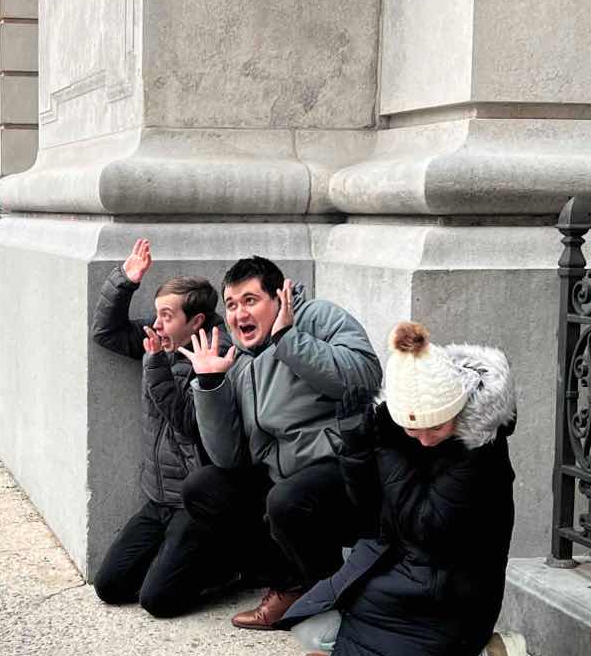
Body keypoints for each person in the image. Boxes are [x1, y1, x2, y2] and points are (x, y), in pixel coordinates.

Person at [279, 322, 529, 656]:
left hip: (450, 596)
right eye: (415, 427)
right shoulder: (395, 430)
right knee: (308, 624)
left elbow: (425, 528)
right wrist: (358, 450)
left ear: (457, 407)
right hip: (399, 577)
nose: (426, 439)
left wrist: (389, 449)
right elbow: (370, 516)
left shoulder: (479, 453)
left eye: (437, 426)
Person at [180, 256, 382, 630]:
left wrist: (289, 340)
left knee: (286, 499)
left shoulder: (317, 317)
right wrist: (209, 386)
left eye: (251, 300)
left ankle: (340, 599)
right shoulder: (238, 358)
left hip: (339, 468)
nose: (240, 313)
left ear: (281, 296)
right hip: (281, 477)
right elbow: (230, 458)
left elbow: (364, 377)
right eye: (232, 304)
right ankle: (290, 586)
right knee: (203, 487)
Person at [89, 238, 233, 617]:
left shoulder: (216, 360)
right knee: (110, 586)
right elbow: (106, 333)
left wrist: (155, 363)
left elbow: (187, 421)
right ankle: (172, 558)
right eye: (157, 314)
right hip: (157, 498)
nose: (156, 324)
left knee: (159, 602)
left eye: (167, 316)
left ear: (196, 322)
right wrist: (126, 279)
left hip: (193, 505)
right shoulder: (162, 340)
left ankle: (230, 564)